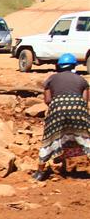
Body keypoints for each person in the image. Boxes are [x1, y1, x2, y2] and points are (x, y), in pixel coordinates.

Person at [34, 53, 90, 181]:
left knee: (49, 139)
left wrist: (59, 105)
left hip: (58, 109)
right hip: (78, 109)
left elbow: (48, 100)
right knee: (86, 138)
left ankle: (40, 172)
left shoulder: (51, 79)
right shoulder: (82, 80)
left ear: (59, 66)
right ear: (74, 66)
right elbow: (85, 100)